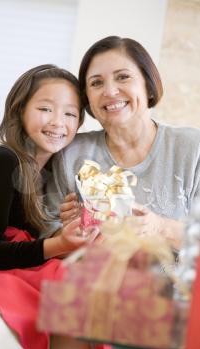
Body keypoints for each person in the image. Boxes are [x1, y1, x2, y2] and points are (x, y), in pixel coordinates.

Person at [0, 64, 107, 349]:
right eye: (46, 109)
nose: (58, 122)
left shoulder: (54, 172)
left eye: (70, 114)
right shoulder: (3, 160)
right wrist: (60, 245)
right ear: (20, 110)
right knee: (70, 283)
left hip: (13, 260)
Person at [45, 36, 200, 252]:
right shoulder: (70, 153)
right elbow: (47, 236)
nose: (109, 91)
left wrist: (160, 227)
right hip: (92, 281)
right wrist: (70, 232)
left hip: (178, 283)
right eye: (96, 83)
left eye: (123, 77)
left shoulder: (193, 148)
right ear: (87, 98)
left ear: (149, 85)